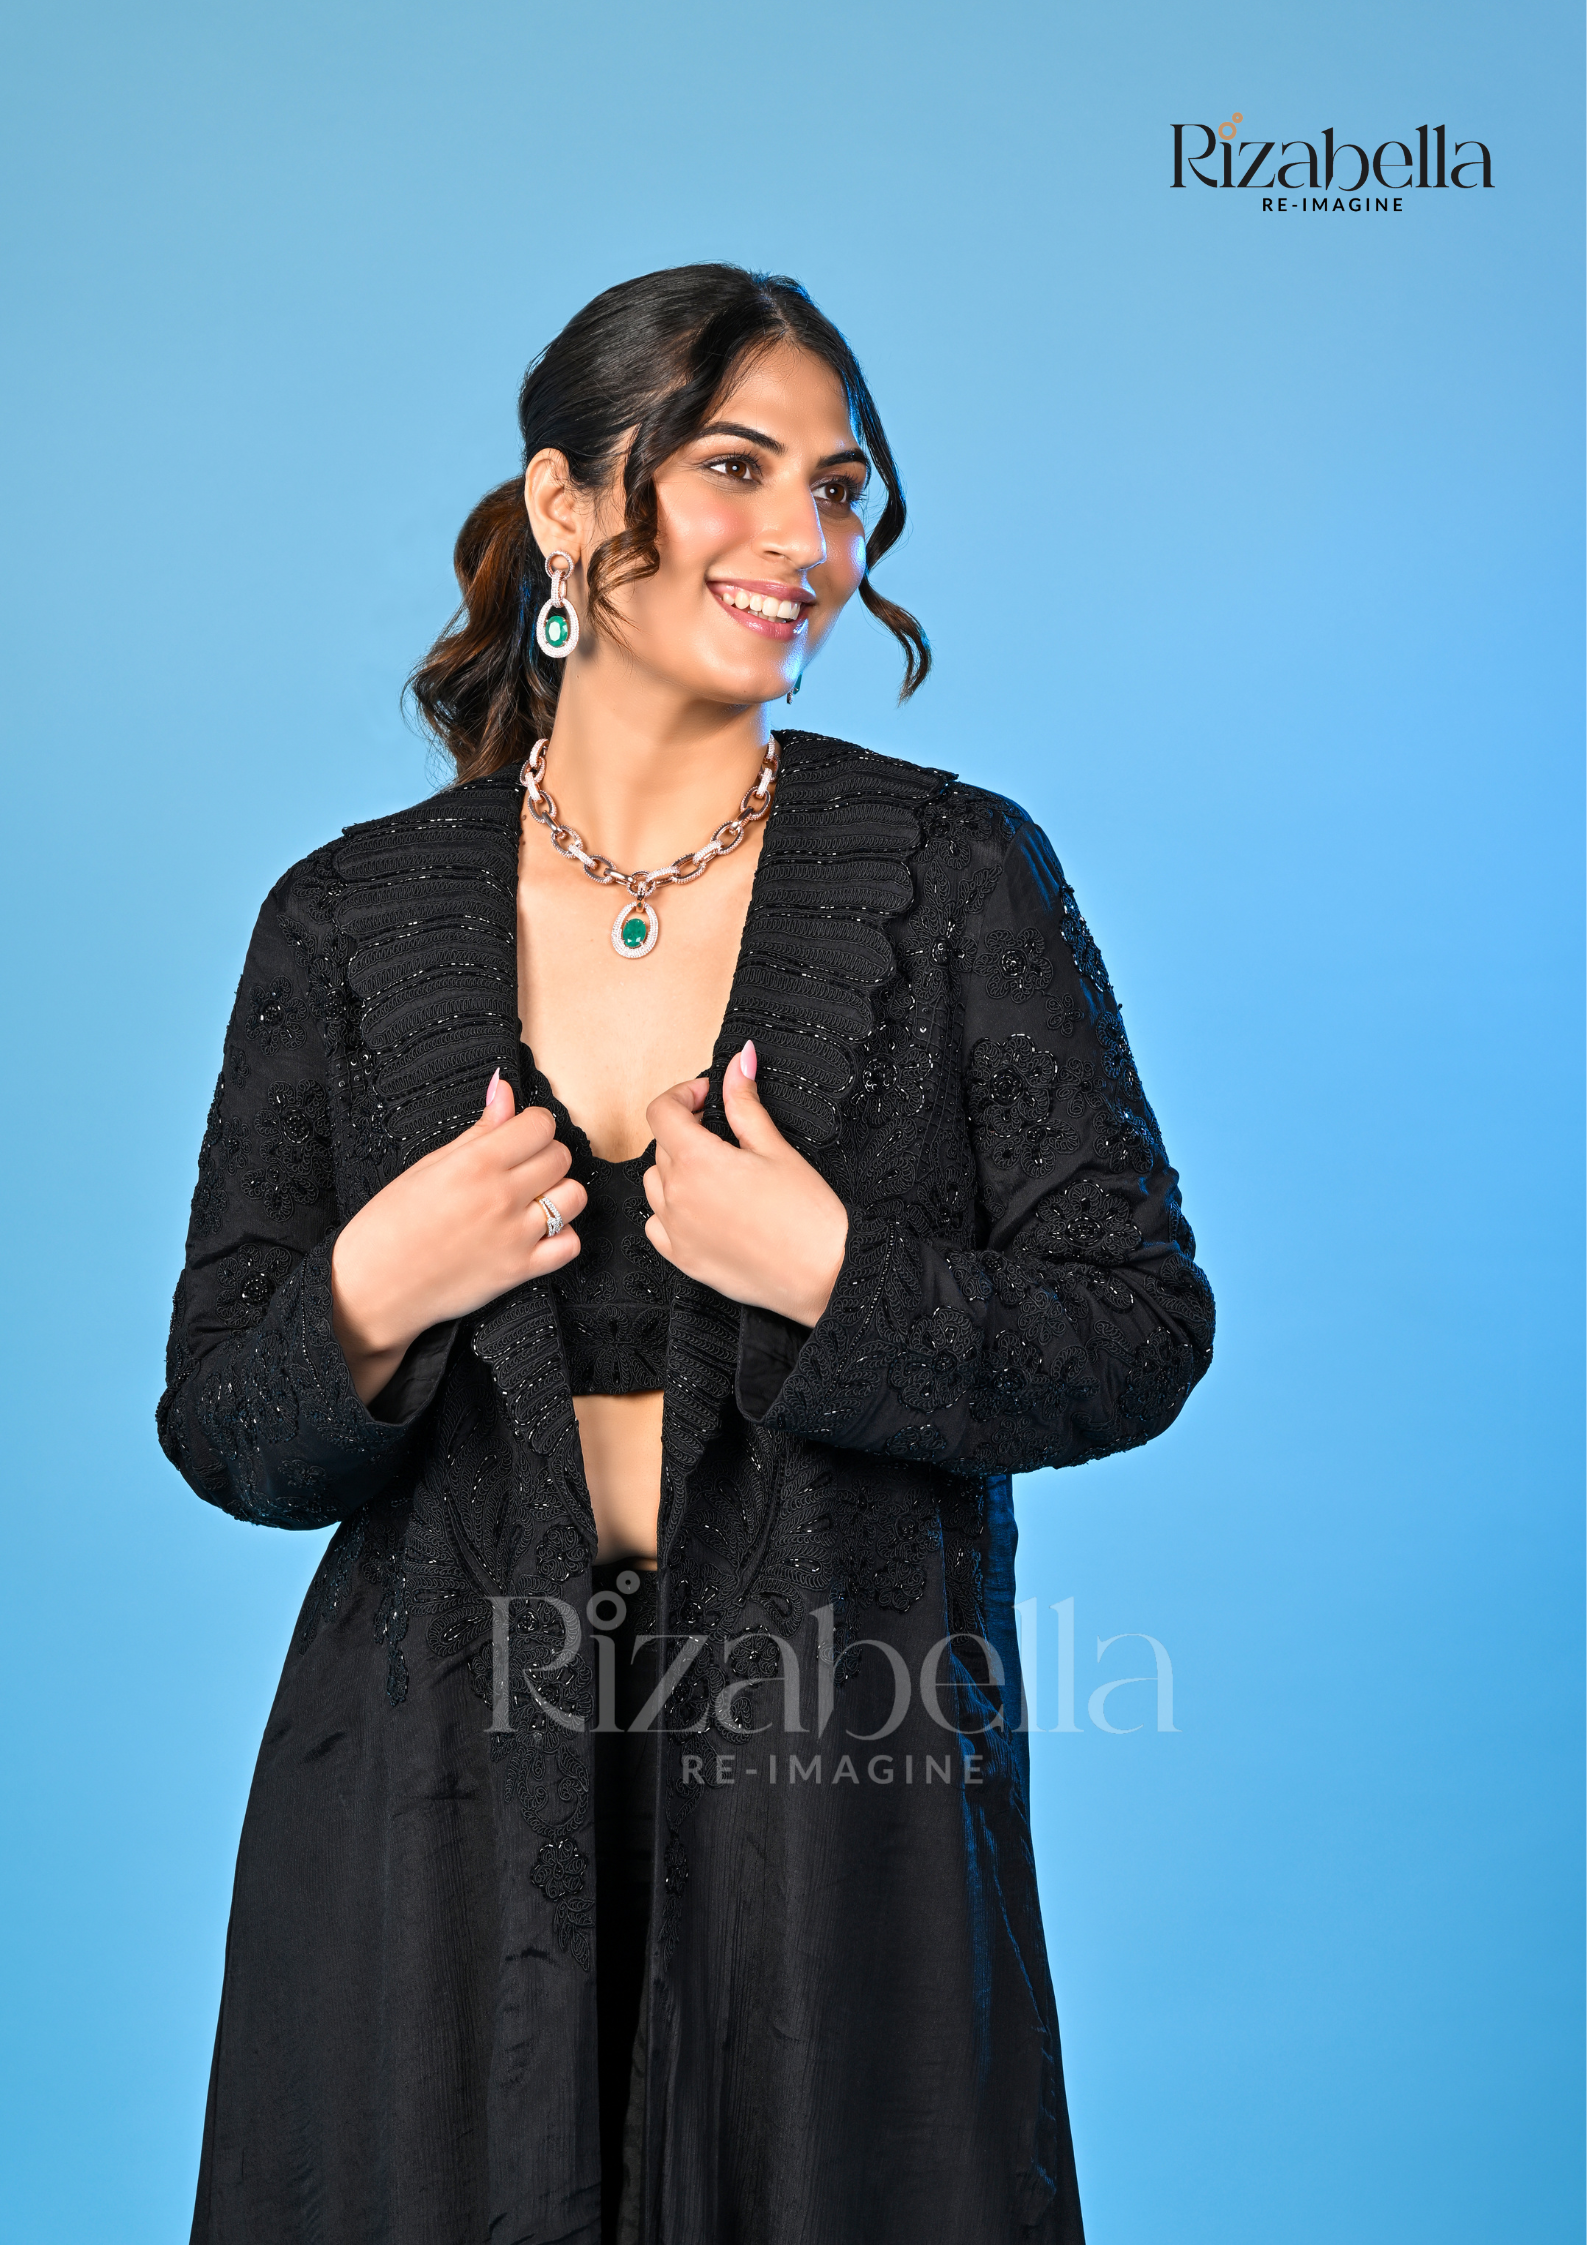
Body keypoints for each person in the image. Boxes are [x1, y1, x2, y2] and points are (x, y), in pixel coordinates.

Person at [158, 263, 1215, 2245]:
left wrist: (834, 1276)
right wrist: (379, 1284)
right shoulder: (345, 918)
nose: (804, 538)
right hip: (428, 1793)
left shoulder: (955, 874)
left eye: (839, 489)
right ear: (569, 504)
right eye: (737, 467)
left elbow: (1137, 1328)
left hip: (840, 1764)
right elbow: (225, 1424)